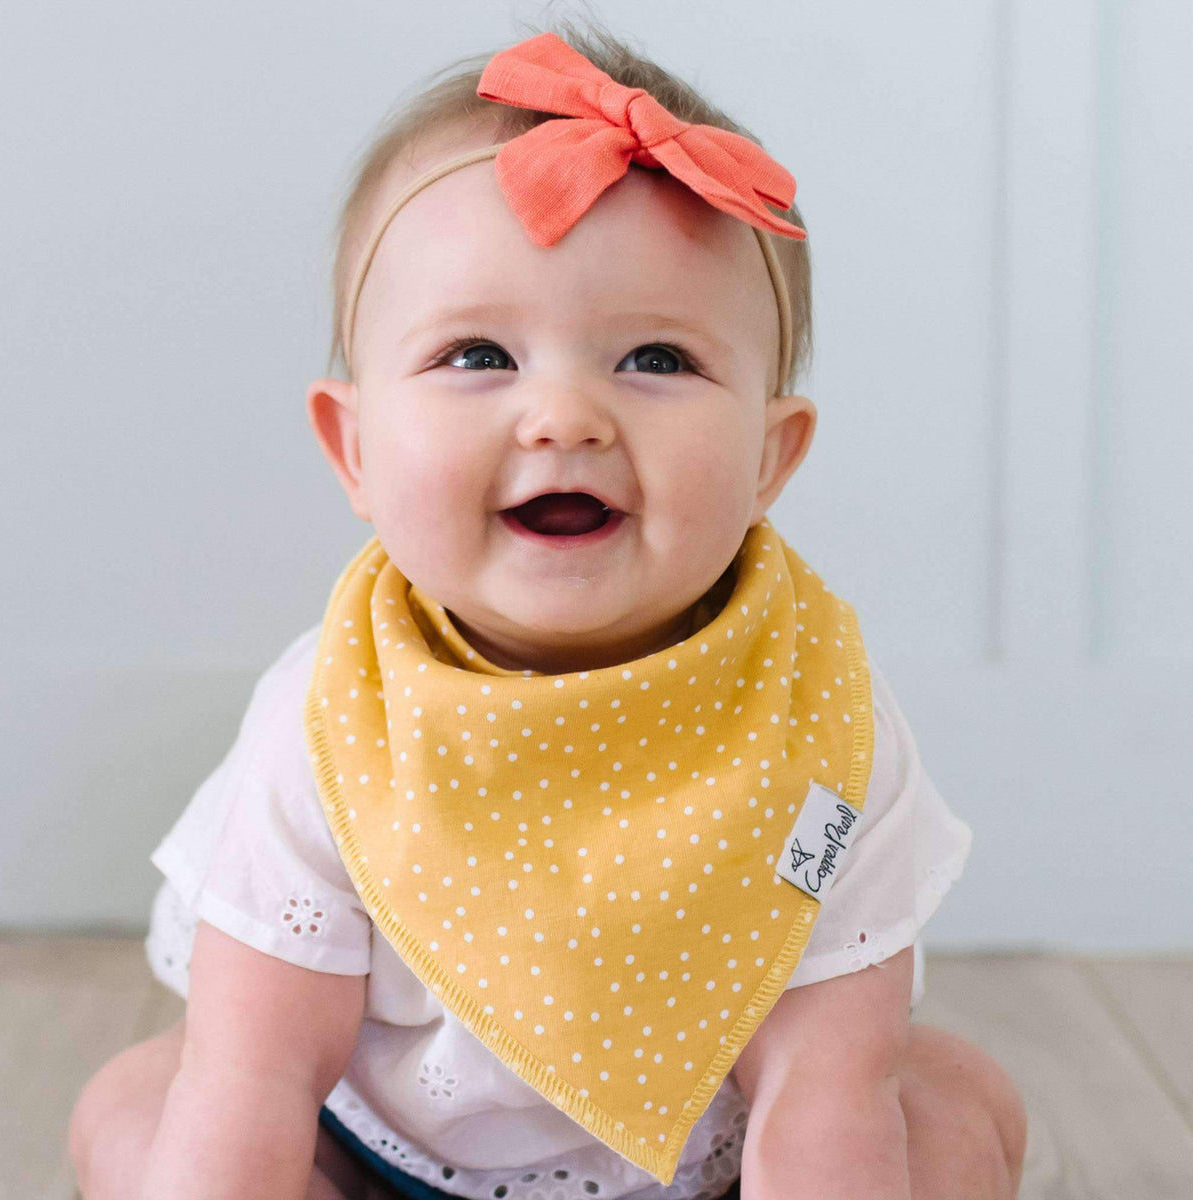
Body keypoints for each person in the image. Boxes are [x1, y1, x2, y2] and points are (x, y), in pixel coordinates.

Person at [68, 17, 1027, 1200]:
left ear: (771, 457)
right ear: (354, 447)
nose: (565, 416)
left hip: (704, 1162)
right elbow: (254, 1077)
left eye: (657, 360)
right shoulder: (331, 720)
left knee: (960, 1110)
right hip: (383, 1152)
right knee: (136, 1110)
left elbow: (823, 1084)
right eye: (479, 354)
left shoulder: (816, 724)